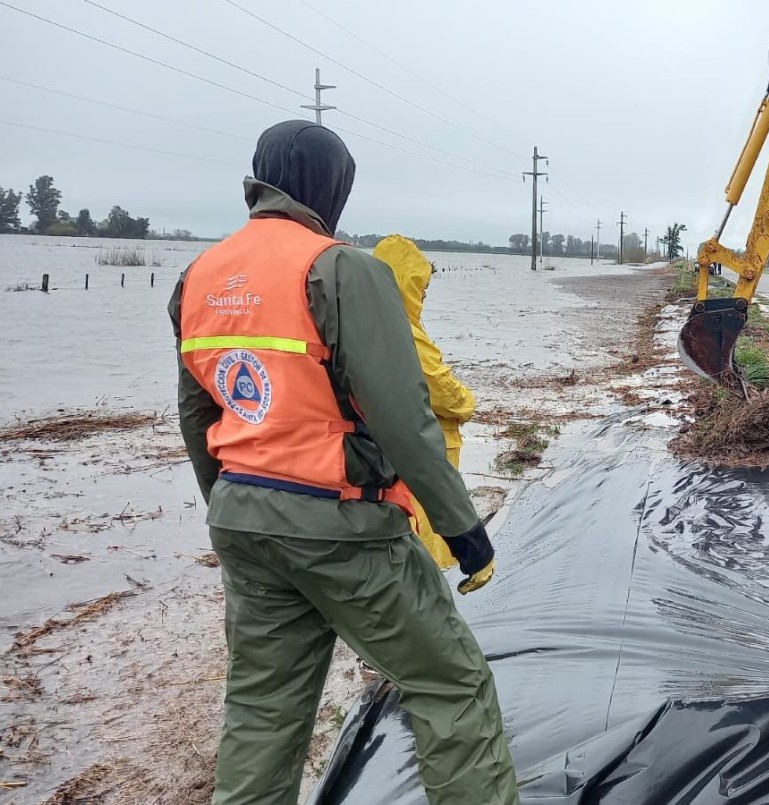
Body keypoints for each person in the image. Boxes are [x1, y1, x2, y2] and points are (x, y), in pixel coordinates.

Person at [169, 120, 518, 804]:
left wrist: (235, 503)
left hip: (243, 520)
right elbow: (403, 416)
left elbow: (196, 415)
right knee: (450, 684)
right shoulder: (342, 268)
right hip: (343, 526)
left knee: (262, 708)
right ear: (330, 187)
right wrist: (463, 530)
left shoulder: (198, 276)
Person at [372, 234, 489, 587]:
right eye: (420, 285)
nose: (423, 293)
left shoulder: (368, 324)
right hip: (422, 453)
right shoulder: (400, 330)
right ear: (403, 281)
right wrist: (467, 403)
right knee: (423, 534)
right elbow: (438, 385)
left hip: (397, 454)